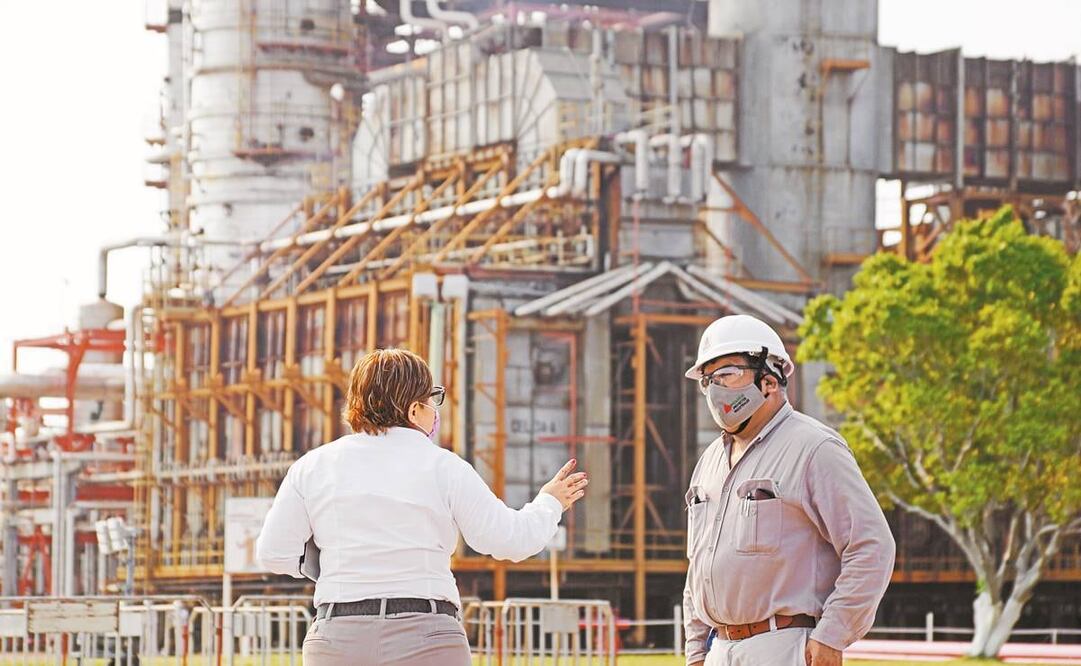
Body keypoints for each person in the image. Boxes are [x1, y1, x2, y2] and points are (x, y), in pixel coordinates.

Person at [256, 348, 588, 666]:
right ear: (414, 410)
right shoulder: (444, 466)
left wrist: (333, 569)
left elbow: (273, 553)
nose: (435, 410)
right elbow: (508, 540)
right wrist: (550, 502)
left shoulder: (312, 466)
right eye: (433, 399)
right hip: (426, 633)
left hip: (338, 633)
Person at [682, 315, 895, 666]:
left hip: (784, 645)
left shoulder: (814, 448)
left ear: (769, 380)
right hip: (718, 648)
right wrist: (695, 652)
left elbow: (871, 545)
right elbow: (699, 569)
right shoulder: (709, 463)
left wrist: (833, 634)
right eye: (708, 380)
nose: (716, 389)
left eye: (727, 374)